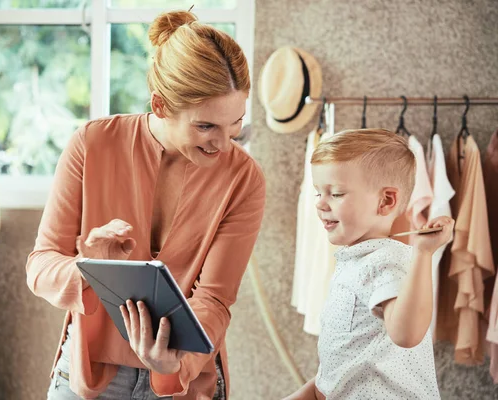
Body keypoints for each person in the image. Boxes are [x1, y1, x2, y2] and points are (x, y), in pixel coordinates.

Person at [25, 9, 265, 400]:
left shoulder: (244, 177)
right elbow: (41, 265)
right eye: (206, 126)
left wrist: (176, 363)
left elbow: (215, 299)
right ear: (160, 105)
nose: (223, 144)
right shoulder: (91, 143)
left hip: (184, 380)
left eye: (235, 123)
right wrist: (92, 268)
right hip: (90, 377)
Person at [282, 129, 454, 400]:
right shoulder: (354, 260)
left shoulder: (385, 261)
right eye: (318, 193)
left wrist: (423, 253)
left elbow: (407, 334)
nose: (321, 204)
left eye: (336, 194)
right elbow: (341, 368)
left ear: (386, 201)